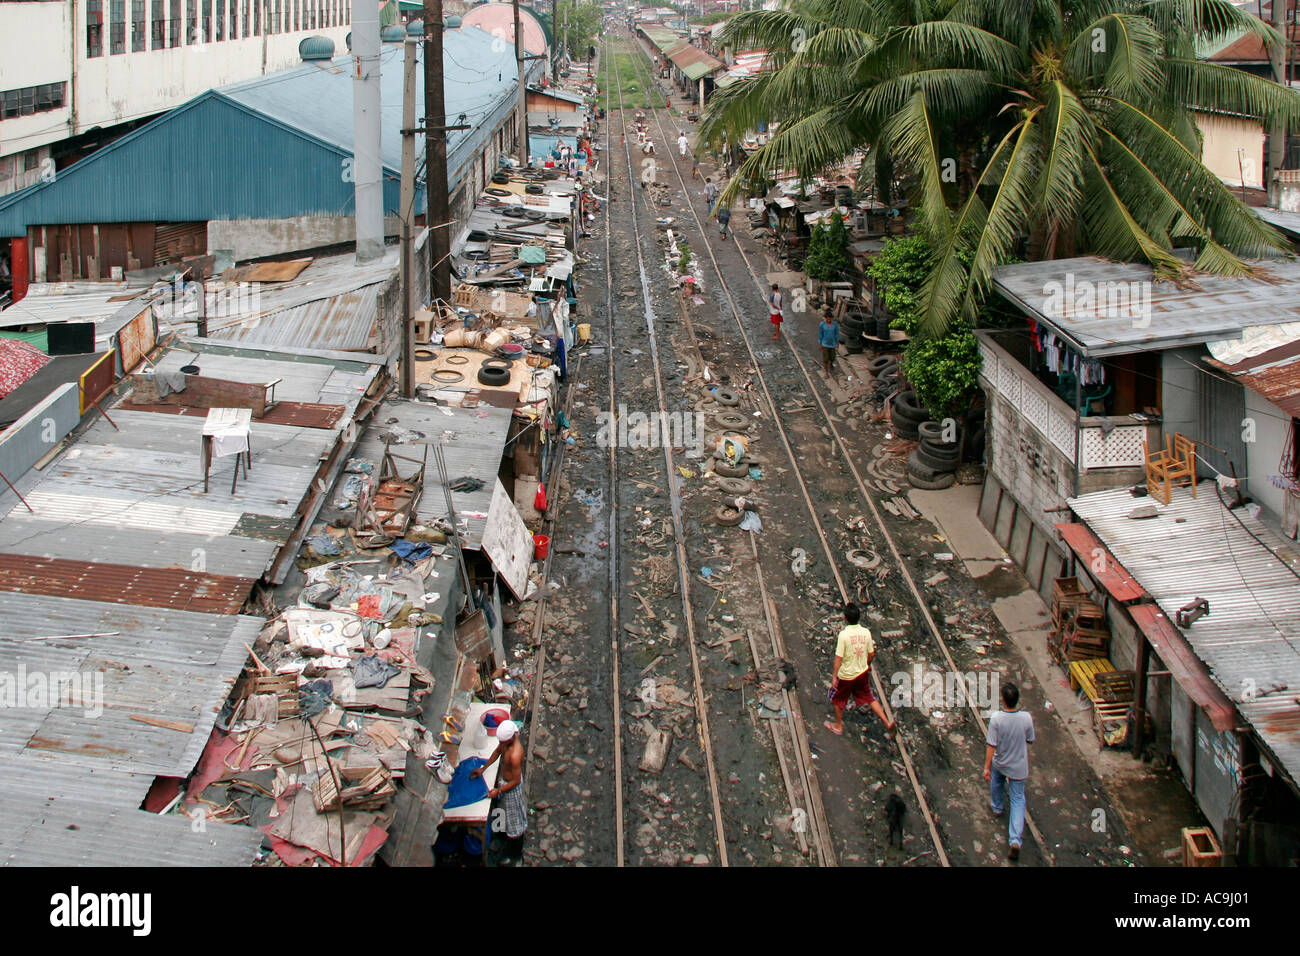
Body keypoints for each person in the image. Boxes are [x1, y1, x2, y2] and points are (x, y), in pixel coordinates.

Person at [824, 602, 895, 737]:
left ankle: (838, 726)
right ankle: (887, 722)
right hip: (861, 673)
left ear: (845, 618)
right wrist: (866, 665)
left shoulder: (844, 635)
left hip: (846, 676)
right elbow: (871, 653)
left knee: (837, 699)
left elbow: (838, 658)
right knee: (869, 697)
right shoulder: (866, 633)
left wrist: (834, 676)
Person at [984, 683, 1034, 861]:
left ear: (1003, 700)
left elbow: (992, 744)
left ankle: (997, 807)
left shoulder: (997, 718)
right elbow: (1030, 739)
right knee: (1018, 799)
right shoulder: (1026, 718)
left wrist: (986, 767)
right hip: (1019, 766)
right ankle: (1015, 840)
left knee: (996, 783)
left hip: (1000, 763)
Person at [471, 719, 528, 863]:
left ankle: (514, 853)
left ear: (510, 738)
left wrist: (499, 790)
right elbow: (497, 752)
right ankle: (501, 836)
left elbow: (515, 781)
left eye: (502, 742)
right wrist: (483, 768)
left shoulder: (515, 754)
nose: (500, 744)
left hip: (511, 788)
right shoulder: (505, 743)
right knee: (500, 812)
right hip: (503, 782)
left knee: (515, 822)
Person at [818, 308, 840, 376]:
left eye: (830, 319)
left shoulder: (835, 325)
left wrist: (837, 343)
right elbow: (820, 334)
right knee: (826, 359)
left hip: (832, 345)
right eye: (827, 319)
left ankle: (831, 365)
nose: (829, 320)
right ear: (825, 318)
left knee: (832, 358)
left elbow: (836, 334)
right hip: (825, 345)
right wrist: (820, 344)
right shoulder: (822, 325)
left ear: (832, 318)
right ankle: (826, 372)